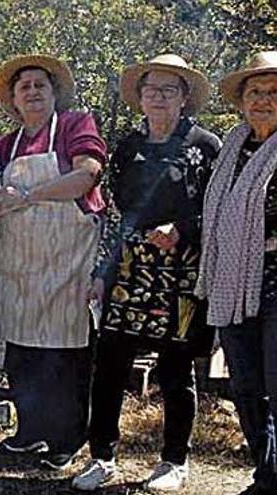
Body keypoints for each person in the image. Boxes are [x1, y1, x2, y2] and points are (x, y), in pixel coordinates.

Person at [72, 54, 220, 492]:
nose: (158, 97)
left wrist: (182, 230)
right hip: (129, 269)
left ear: (184, 97)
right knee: (110, 366)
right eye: (151, 89)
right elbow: (114, 214)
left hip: (183, 271)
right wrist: (101, 270)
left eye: (168, 90)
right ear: (139, 97)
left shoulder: (206, 145)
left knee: (176, 369)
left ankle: (174, 460)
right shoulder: (127, 147)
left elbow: (217, 211)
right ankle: (102, 456)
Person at [0, 54, 107, 470]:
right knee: (22, 354)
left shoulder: (76, 126)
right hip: (18, 267)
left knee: (65, 357)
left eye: (41, 85)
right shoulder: (6, 145)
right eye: (25, 87)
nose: (34, 92)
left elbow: (86, 175)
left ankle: (67, 438)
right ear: (15, 101)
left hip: (67, 263)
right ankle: (29, 430)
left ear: (54, 93)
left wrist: (26, 197)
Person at [196, 51, 277, 495]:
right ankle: (265, 475)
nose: (263, 100)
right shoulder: (233, 146)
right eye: (255, 92)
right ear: (242, 101)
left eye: (273, 93)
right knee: (246, 387)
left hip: (276, 278)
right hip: (234, 279)